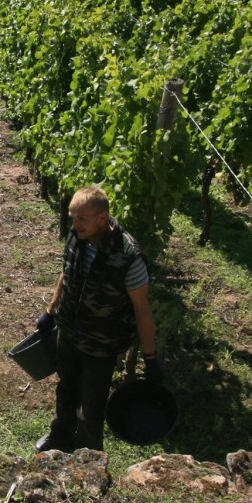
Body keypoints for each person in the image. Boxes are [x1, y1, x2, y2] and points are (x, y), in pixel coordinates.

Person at [33, 186, 158, 452]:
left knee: (91, 406)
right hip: (69, 331)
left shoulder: (129, 256)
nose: (74, 225)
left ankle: (88, 456)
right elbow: (66, 273)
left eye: (81, 219)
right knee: (66, 388)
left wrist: (150, 358)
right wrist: (51, 311)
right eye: (73, 217)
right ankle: (60, 436)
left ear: (102, 218)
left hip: (102, 343)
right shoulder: (77, 236)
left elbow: (142, 309)